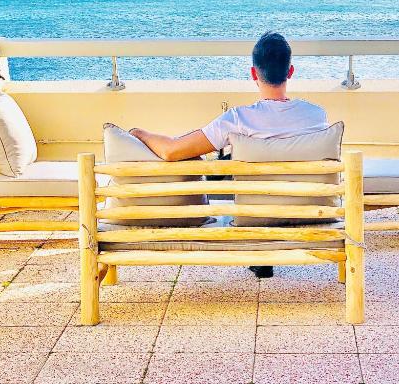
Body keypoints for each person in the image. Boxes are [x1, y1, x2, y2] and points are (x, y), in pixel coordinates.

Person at [129, 30, 329, 277]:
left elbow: (172, 151)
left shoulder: (238, 119)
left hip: (256, 219)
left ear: (254, 73)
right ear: (290, 71)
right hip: (311, 213)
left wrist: (139, 133)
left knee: (216, 165)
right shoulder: (316, 116)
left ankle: (261, 251)